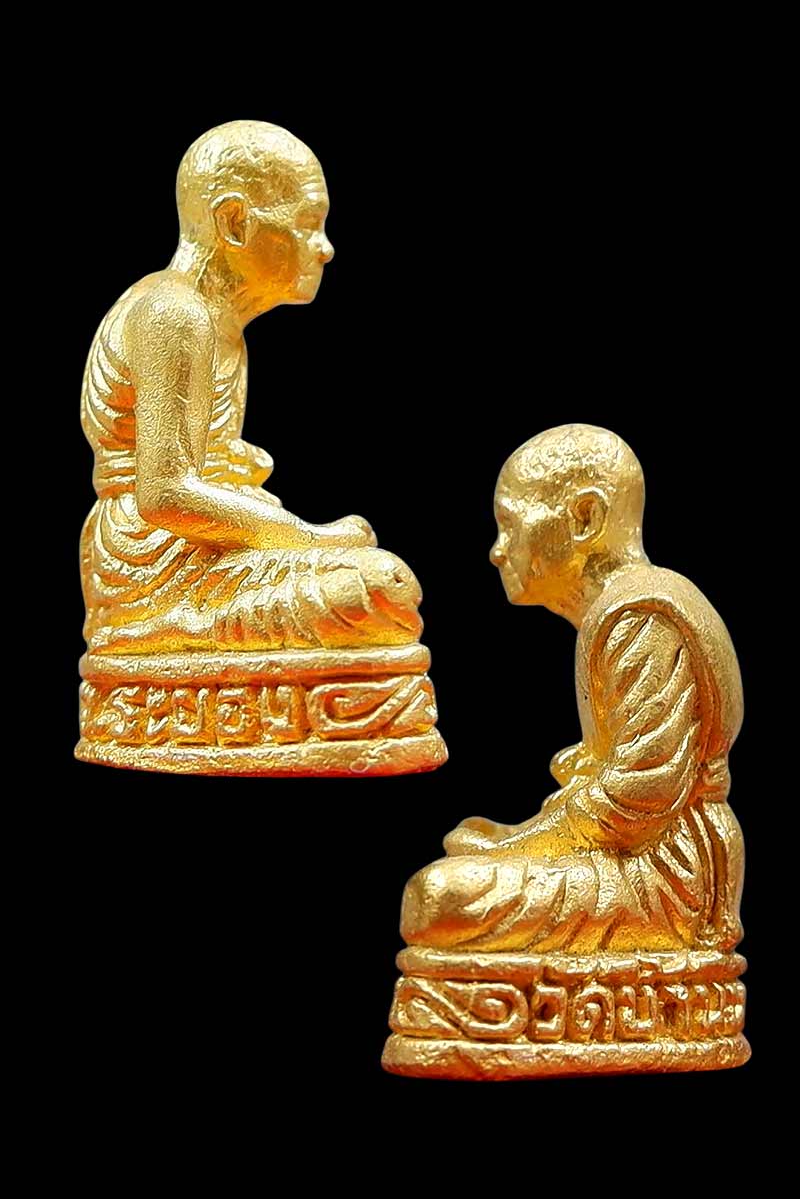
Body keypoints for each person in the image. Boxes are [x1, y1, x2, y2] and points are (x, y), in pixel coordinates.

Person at [80, 120, 422, 654]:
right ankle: (167, 630)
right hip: (150, 555)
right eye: (308, 225)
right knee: (374, 588)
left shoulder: (224, 330)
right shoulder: (174, 313)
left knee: (377, 585)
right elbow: (165, 494)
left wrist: (239, 469)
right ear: (235, 223)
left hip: (196, 544)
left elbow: (207, 465)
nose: (325, 248)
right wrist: (310, 538)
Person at [400, 424, 745, 954]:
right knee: (457, 869)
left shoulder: (640, 619)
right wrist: (528, 833)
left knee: (442, 898)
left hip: (665, 875)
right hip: (631, 854)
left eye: (510, 526)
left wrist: (519, 844)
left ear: (586, 519)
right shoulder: (617, 616)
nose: (497, 551)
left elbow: (639, 800)